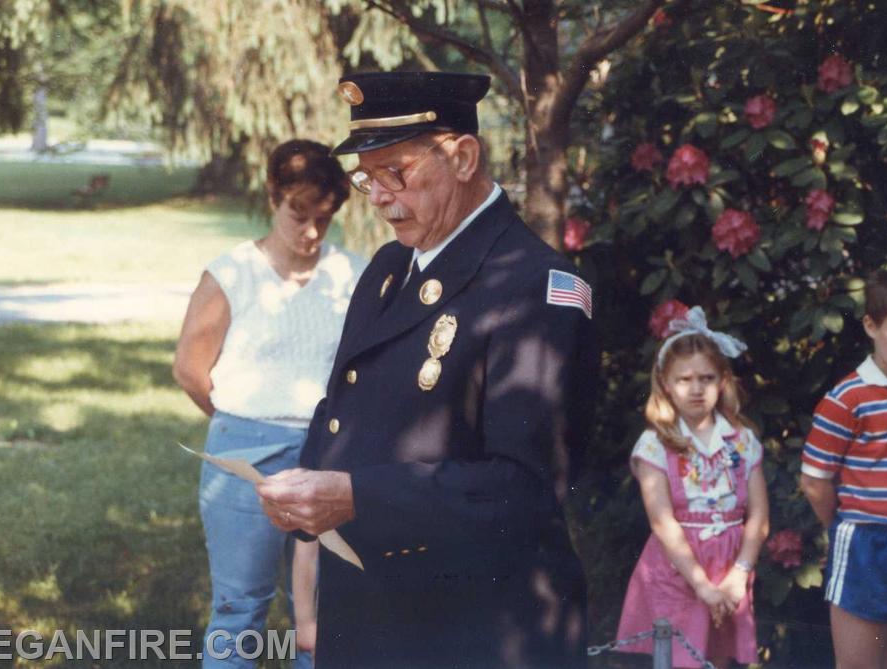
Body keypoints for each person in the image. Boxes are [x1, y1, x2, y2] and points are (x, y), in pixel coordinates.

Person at [256, 71, 597, 668]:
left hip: (472, 631)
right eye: (368, 177)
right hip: (371, 610)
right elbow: (343, 407)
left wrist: (354, 496)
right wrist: (308, 491)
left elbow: (524, 487)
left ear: (463, 157)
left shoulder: (537, 289)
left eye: (397, 172)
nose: (381, 196)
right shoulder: (390, 268)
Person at [173, 139, 365, 668]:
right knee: (240, 607)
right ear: (273, 196)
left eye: (323, 220)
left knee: (323, 614)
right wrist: (242, 422)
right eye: (297, 213)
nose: (309, 233)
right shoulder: (231, 273)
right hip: (245, 455)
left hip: (329, 455)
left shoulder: (353, 275)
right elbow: (190, 369)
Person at [615, 307, 768, 669]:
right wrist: (701, 584)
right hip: (678, 569)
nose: (697, 389)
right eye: (685, 380)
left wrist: (739, 574)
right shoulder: (655, 445)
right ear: (666, 384)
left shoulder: (742, 441)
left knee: (720, 659)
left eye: (707, 378)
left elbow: (759, 515)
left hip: (731, 566)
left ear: (723, 381)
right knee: (680, 658)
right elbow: (663, 522)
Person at [801, 266, 887, 669]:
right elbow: (815, 481)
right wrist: (841, 525)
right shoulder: (847, 398)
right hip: (866, 541)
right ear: (870, 325)